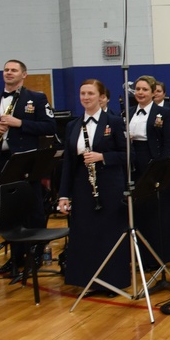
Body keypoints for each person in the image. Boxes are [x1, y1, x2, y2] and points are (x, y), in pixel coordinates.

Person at [0, 59, 56, 278]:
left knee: (33, 209)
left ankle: (35, 254)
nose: (9, 73)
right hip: (0, 161)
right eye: (6, 70)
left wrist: (20, 123)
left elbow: (49, 126)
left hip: (26, 161)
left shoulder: (37, 98)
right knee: (9, 212)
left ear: (24, 74)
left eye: (14, 70)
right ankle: (15, 257)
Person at [57, 80, 130, 294]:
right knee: (85, 234)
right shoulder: (72, 125)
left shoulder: (114, 122)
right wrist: (63, 195)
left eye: (90, 93)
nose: (86, 97)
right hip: (82, 185)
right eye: (82, 93)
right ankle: (88, 281)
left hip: (108, 184)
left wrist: (102, 157)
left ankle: (113, 281)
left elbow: (128, 155)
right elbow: (68, 164)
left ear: (101, 97)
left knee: (109, 233)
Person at [128, 75, 170, 267]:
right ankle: (143, 255)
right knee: (141, 209)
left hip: (155, 163)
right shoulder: (128, 113)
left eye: (145, 90)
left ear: (153, 93)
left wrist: (163, 169)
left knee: (159, 209)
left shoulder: (164, 113)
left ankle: (163, 253)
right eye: (138, 89)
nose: (140, 93)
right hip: (135, 164)